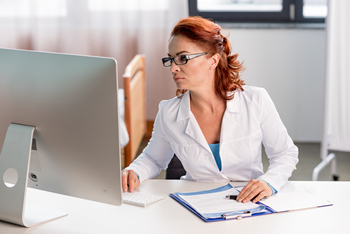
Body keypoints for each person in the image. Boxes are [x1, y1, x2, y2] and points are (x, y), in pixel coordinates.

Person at [122, 16, 298, 203]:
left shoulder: (255, 100)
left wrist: (269, 182)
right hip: (196, 204)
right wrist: (135, 171)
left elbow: (285, 153)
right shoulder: (169, 112)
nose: (173, 68)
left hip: (249, 204)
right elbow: (153, 159)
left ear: (213, 61)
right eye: (171, 59)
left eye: (183, 58)